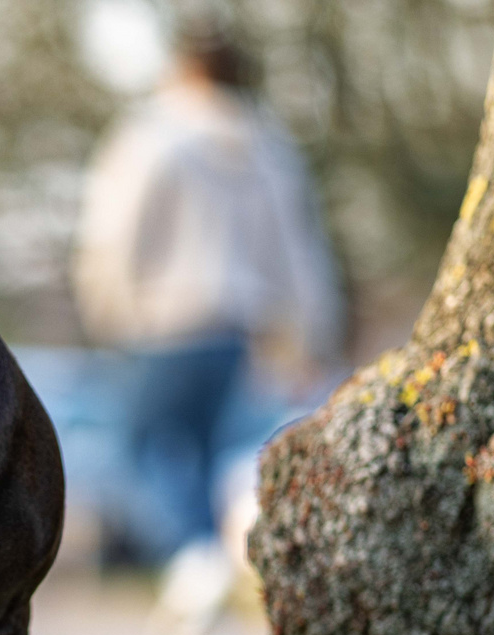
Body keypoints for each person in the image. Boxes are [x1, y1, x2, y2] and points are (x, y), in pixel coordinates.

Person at [72, 20, 343, 565]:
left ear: (181, 69)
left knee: (140, 455)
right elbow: (297, 248)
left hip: (158, 328)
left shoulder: (151, 136)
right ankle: (219, 569)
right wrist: (315, 335)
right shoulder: (269, 149)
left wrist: (103, 308)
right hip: (238, 333)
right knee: (213, 460)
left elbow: (115, 233)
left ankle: (198, 567)